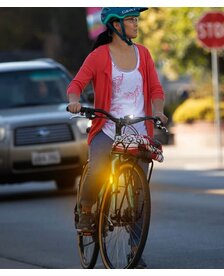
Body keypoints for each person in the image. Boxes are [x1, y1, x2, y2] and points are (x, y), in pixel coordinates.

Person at [67, 7, 168, 268]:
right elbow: (76, 84)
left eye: (136, 19)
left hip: (138, 131)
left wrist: (158, 111)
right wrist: (75, 102)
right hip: (107, 128)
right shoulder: (99, 56)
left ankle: (135, 247)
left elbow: (156, 88)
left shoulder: (143, 54)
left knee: (138, 193)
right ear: (116, 25)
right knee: (98, 169)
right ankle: (87, 211)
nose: (136, 24)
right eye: (131, 20)